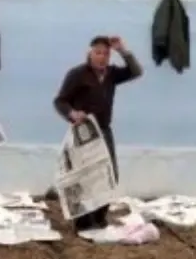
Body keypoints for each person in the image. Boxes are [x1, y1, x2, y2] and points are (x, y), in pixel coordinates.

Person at [53, 34, 144, 230]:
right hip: (83, 131)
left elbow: (136, 72)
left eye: (106, 53)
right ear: (90, 53)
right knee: (84, 175)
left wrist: (123, 50)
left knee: (109, 173)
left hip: (104, 130)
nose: (102, 57)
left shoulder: (111, 74)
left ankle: (100, 217)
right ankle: (83, 221)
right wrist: (72, 113)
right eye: (98, 52)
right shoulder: (77, 74)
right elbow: (60, 101)